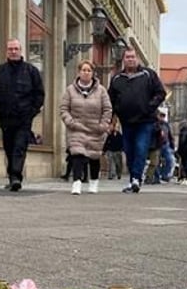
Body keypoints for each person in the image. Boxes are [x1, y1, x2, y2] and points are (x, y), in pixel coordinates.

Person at [0, 39, 45, 192]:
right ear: (6, 51)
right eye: (10, 49)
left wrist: (33, 111)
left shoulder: (31, 71)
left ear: (21, 50)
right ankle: (12, 177)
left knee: (19, 147)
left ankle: (16, 177)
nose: (13, 51)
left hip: (24, 117)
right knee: (9, 147)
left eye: (16, 48)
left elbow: (39, 94)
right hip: (6, 117)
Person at [109, 47, 166, 193]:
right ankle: (132, 179)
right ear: (123, 60)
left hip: (145, 120)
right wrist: (113, 120)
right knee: (129, 151)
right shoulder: (116, 79)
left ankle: (136, 179)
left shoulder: (148, 74)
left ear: (137, 58)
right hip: (126, 121)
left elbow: (160, 93)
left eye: (133, 57)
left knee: (141, 148)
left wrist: (149, 107)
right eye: (127, 57)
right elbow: (111, 101)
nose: (130, 59)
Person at [59, 60, 113, 195]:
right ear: (79, 72)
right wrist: (70, 122)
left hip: (95, 129)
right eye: (83, 70)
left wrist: (103, 125)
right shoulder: (70, 90)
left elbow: (107, 109)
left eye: (89, 70)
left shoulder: (101, 91)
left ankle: (94, 182)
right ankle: (76, 183)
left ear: (93, 73)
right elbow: (64, 109)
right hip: (77, 128)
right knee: (77, 155)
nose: (86, 72)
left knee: (94, 156)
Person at [157, 109, 176, 182]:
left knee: (170, 160)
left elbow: (170, 135)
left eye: (163, 116)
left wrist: (173, 146)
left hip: (166, 144)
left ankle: (164, 174)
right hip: (157, 145)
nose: (162, 118)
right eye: (161, 116)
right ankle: (157, 176)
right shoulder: (155, 124)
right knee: (156, 162)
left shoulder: (166, 124)